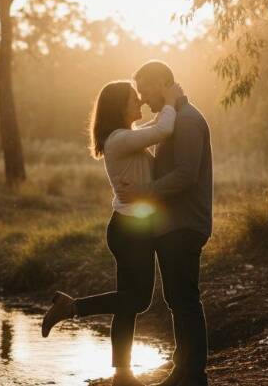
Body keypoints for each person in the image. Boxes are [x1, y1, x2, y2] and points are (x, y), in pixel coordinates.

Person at [42, 78, 184, 386]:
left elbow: (154, 128)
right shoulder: (119, 139)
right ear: (120, 106)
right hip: (130, 231)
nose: (140, 103)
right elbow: (162, 130)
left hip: (131, 227)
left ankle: (122, 375)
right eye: (134, 98)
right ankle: (71, 307)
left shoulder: (125, 136)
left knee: (126, 302)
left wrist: (165, 107)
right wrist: (171, 100)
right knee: (138, 301)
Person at [119, 60, 213, 386]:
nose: (142, 98)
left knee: (184, 299)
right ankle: (183, 371)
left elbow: (186, 175)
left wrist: (144, 193)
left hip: (184, 225)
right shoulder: (171, 119)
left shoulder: (187, 121)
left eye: (144, 88)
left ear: (162, 83)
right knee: (177, 299)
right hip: (172, 225)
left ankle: (193, 375)